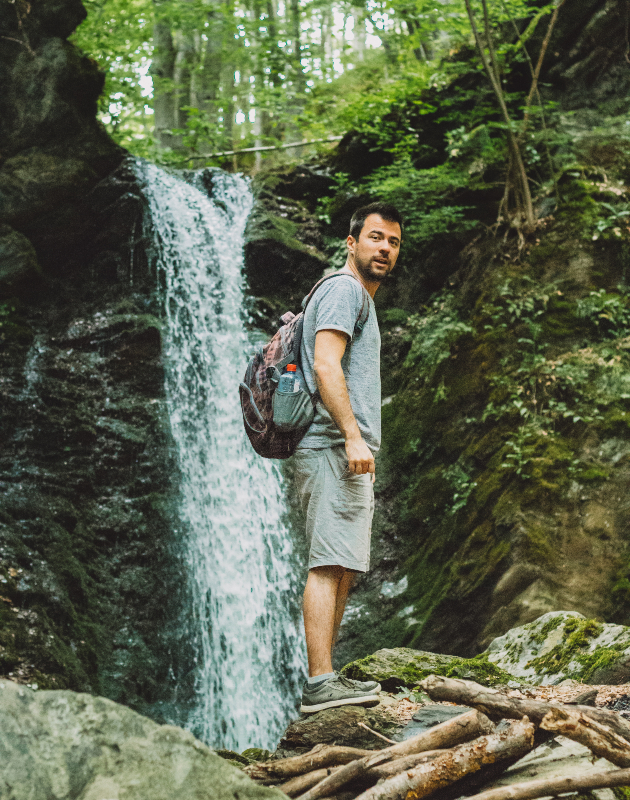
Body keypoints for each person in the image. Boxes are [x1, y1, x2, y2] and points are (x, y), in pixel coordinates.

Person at [294, 201, 403, 713]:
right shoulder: (342, 289)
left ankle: (327, 678)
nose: (384, 248)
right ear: (351, 242)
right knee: (328, 561)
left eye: (393, 242)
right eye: (376, 237)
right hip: (332, 445)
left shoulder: (356, 295)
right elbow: (324, 362)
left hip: (339, 447)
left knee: (342, 564)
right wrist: (352, 436)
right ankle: (320, 683)